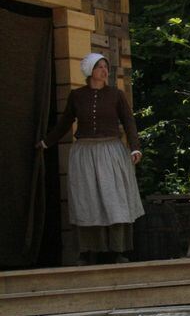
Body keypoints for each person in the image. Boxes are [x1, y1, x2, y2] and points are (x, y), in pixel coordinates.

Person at [38, 53, 144, 265]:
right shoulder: (77, 96)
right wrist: (45, 143)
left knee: (115, 201)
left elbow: (129, 123)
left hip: (111, 152)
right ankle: (86, 252)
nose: (105, 71)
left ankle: (118, 251)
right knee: (88, 202)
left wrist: (135, 148)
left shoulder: (116, 94)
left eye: (106, 67)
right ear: (90, 71)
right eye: (99, 67)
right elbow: (64, 123)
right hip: (85, 154)